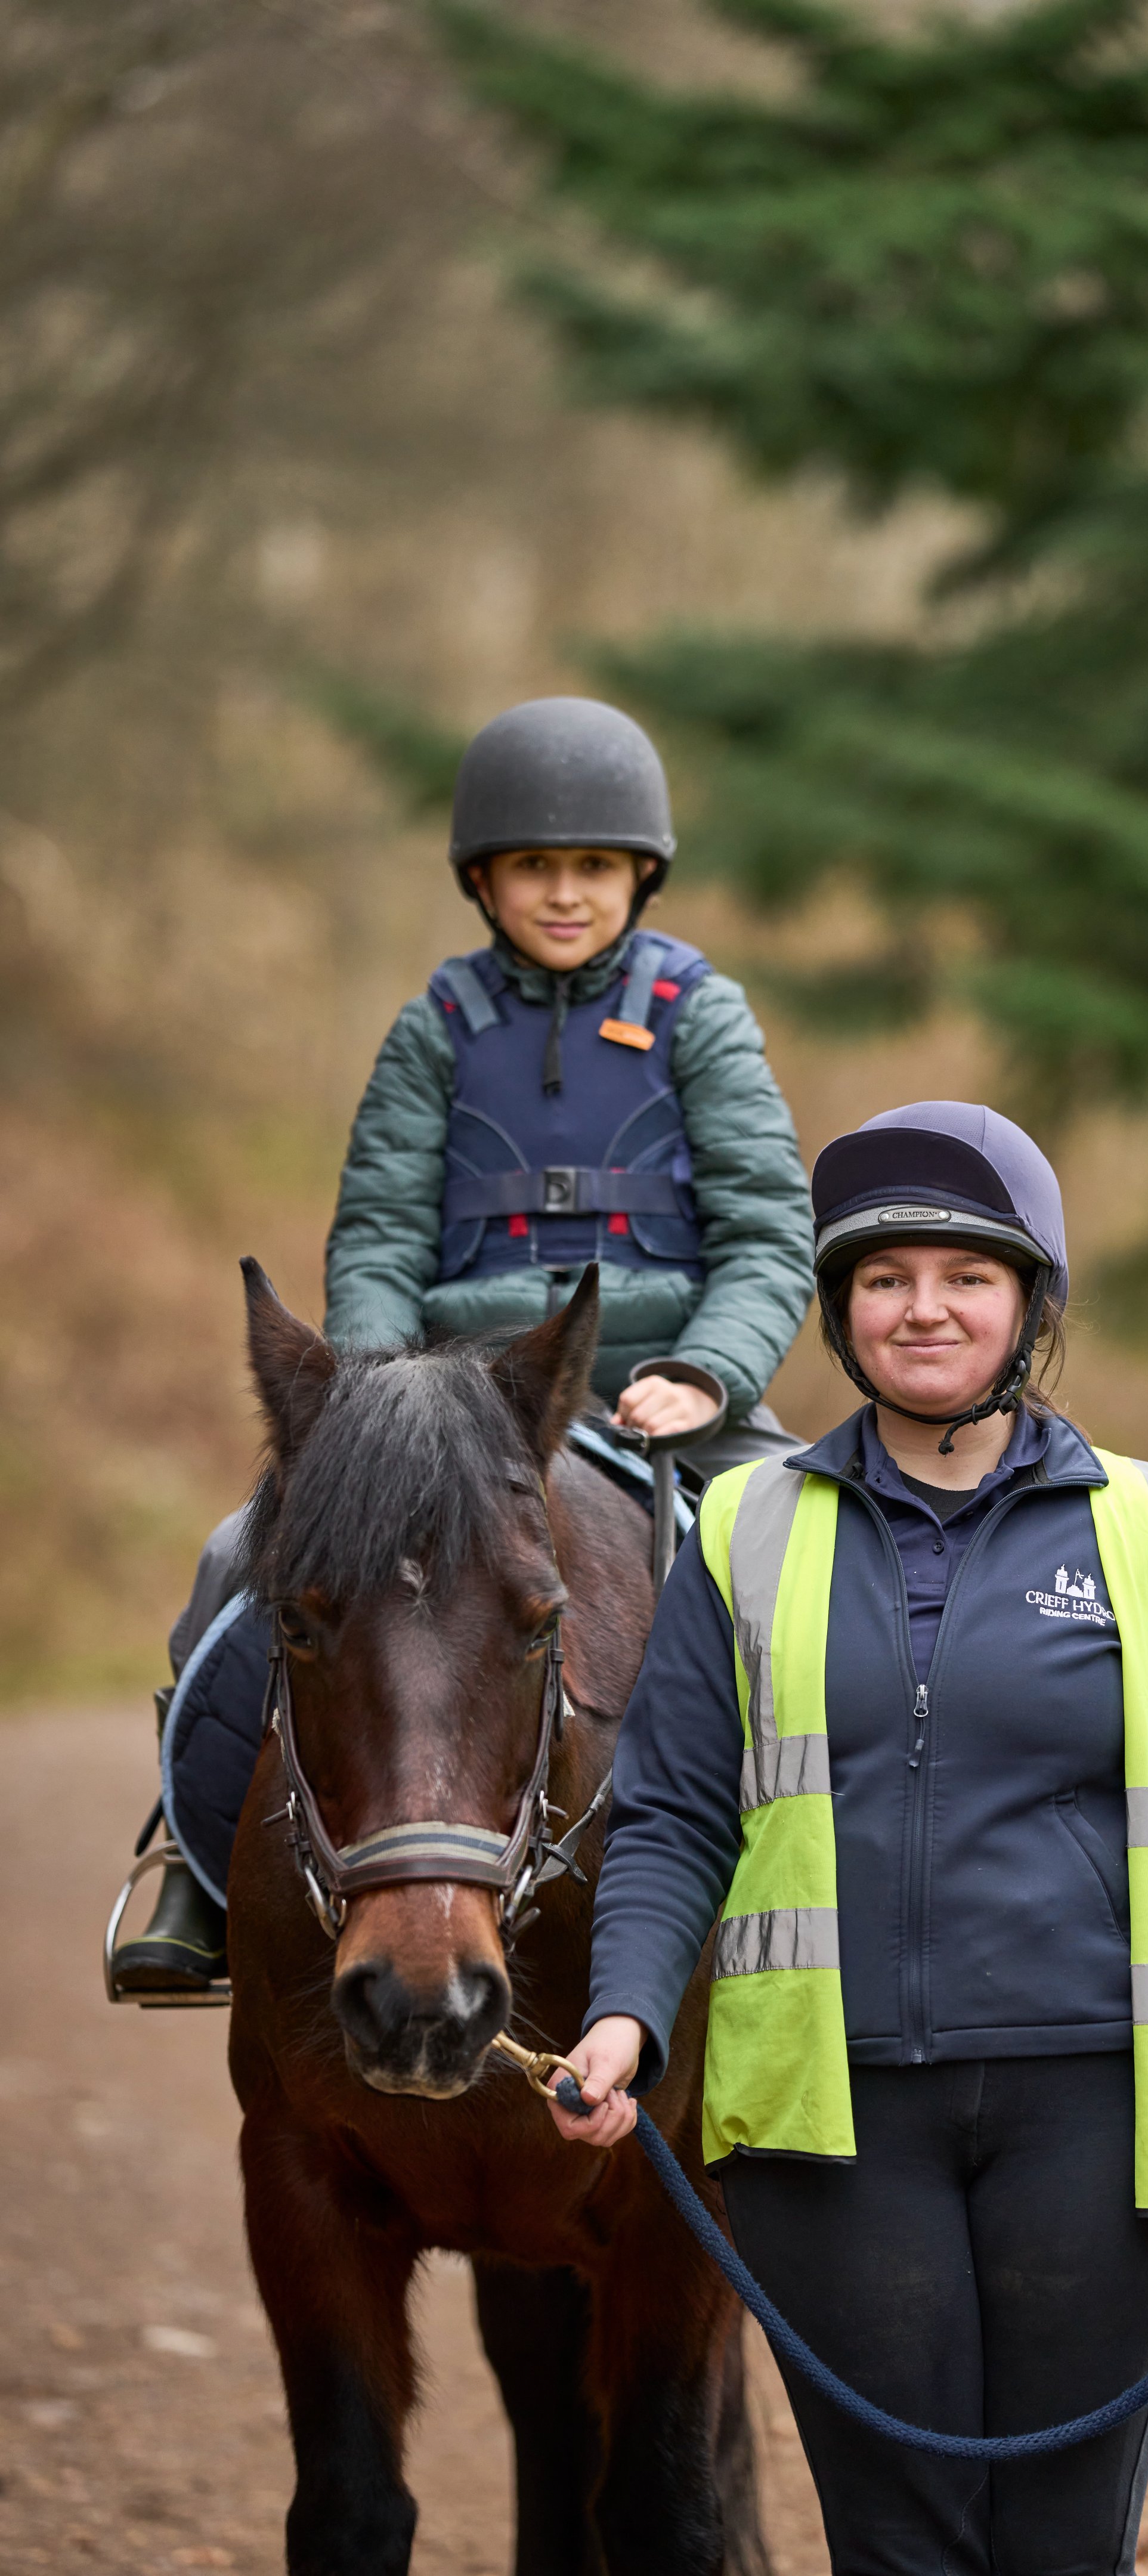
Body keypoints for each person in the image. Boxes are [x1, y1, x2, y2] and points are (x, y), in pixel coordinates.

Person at [547, 1099, 1148, 2576]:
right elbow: (670, 1814)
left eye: (967, 1276)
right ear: (841, 1311)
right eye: (886, 1277)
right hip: (830, 2128)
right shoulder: (745, 1531)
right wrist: (627, 2019)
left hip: (1099, 2118)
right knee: (898, 2545)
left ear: (1029, 1303)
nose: (925, 1309)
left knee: (1059, 2547)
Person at [112, 696, 815, 1992]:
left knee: (827, 1576)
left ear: (639, 877)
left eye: (592, 868)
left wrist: (709, 1368)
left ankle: (846, 1903)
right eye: (534, 868)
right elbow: (378, 1229)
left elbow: (773, 1232)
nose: (564, 893)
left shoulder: (697, 1016)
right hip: (448, 1404)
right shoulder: (435, 1026)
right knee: (233, 1556)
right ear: (482, 881)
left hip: (670, 1390)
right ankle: (192, 1874)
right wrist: (372, 1401)